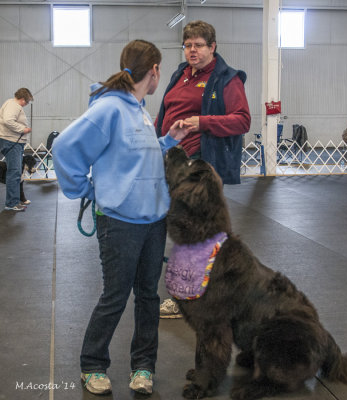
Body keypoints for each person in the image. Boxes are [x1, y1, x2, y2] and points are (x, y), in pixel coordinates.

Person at [52, 40, 194, 396]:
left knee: (147, 296)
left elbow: (136, 158)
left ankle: (143, 367)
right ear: (155, 70)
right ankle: (92, 365)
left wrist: (168, 141)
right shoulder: (110, 108)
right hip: (119, 222)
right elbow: (64, 147)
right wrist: (87, 191)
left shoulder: (139, 109)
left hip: (153, 220)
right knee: (115, 296)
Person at [155, 20, 251, 319]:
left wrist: (203, 122)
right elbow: (165, 114)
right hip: (172, 163)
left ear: (212, 47)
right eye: (187, 45)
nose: (192, 50)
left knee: (196, 236)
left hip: (199, 168)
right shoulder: (180, 75)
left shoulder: (227, 78)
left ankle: (194, 296)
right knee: (181, 232)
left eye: (198, 45)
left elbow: (242, 120)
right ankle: (192, 291)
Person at [0, 88, 33, 211]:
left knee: (14, 172)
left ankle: (14, 201)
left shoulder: (10, 104)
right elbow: (8, 120)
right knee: (14, 172)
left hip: (13, 141)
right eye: (28, 101)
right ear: (23, 99)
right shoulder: (13, 105)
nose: (27, 104)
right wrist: (23, 129)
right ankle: (12, 203)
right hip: (12, 141)